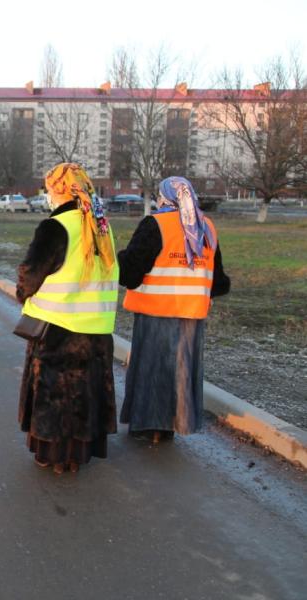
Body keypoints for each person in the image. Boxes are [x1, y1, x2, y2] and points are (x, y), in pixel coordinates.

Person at [16, 163, 119, 474]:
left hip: (57, 328)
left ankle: (53, 456)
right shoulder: (101, 226)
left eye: (49, 188)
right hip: (96, 328)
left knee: (55, 396)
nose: (47, 194)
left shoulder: (56, 226)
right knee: (85, 394)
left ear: (58, 189)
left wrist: (22, 292)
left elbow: (31, 273)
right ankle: (77, 456)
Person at [118, 176, 230, 443]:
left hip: (155, 310)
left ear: (165, 197)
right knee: (182, 371)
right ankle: (173, 424)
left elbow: (130, 273)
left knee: (151, 369)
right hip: (191, 315)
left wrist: (121, 258)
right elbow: (219, 282)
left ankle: (148, 425)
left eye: (159, 195)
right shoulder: (206, 227)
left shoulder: (155, 224)